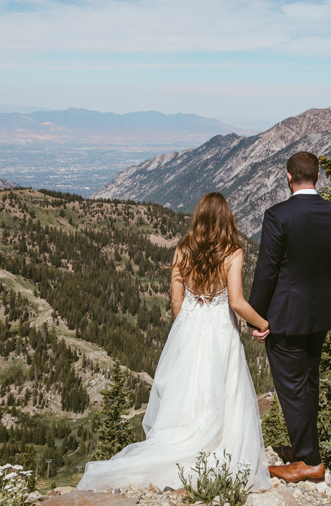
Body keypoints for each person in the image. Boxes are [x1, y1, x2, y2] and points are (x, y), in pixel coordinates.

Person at [78, 192, 271, 492]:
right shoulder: (233, 253)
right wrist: (263, 323)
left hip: (189, 329)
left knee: (187, 391)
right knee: (222, 391)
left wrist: (187, 327)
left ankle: (181, 445)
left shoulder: (182, 251)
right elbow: (236, 302)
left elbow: (176, 302)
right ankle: (216, 449)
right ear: (226, 219)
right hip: (221, 332)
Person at [248, 151, 331, 483]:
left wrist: (256, 317)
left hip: (285, 316)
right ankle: (305, 450)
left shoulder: (278, 215)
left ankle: (308, 461)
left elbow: (266, 272)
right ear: (317, 177)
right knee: (308, 382)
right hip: (320, 313)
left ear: (289, 177)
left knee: (292, 387)